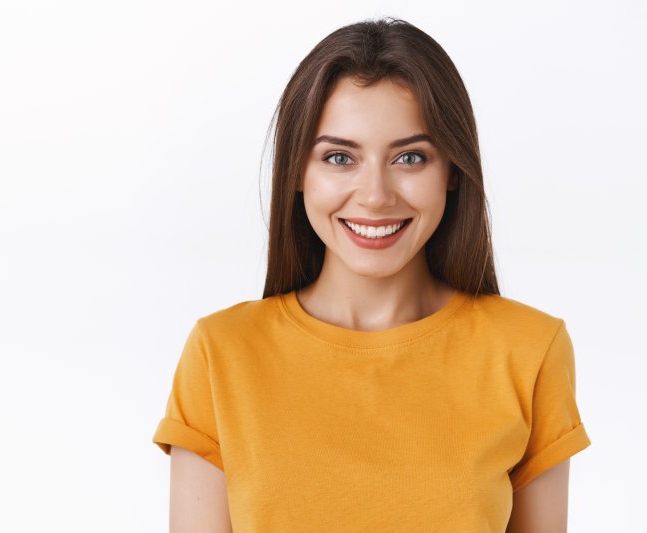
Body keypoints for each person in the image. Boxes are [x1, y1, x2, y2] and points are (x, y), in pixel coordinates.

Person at [152, 16, 591, 532]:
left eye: (410, 157)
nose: (376, 196)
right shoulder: (220, 353)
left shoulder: (530, 350)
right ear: (298, 171)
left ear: (452, 171)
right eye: (340, 157)